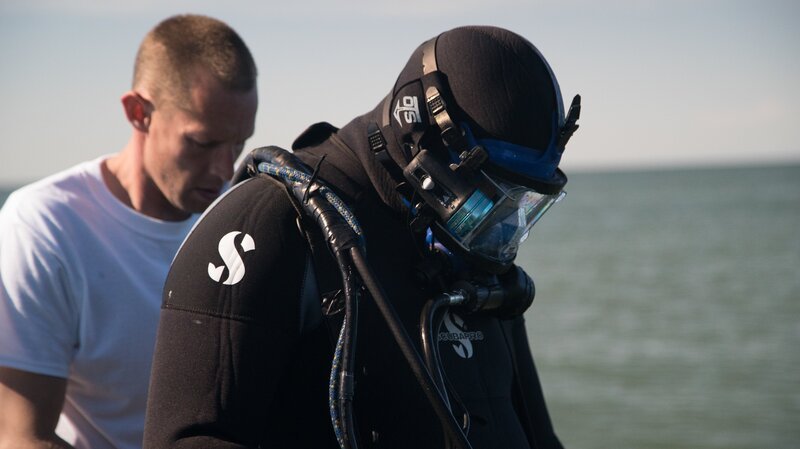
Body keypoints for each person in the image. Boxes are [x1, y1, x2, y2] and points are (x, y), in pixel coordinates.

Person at [144, 25, 580, 449]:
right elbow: (187, 438)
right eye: (492, 195)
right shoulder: (269, 223)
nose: (503, 226)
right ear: (424, 145)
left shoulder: (473, 257)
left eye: (522, 202)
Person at [0, 14, 258, 449]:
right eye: (201, 143)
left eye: (239, 145)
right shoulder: (45, 226)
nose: (224, 170)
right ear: (139, 113)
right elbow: (22, 437)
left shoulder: (242, 221)